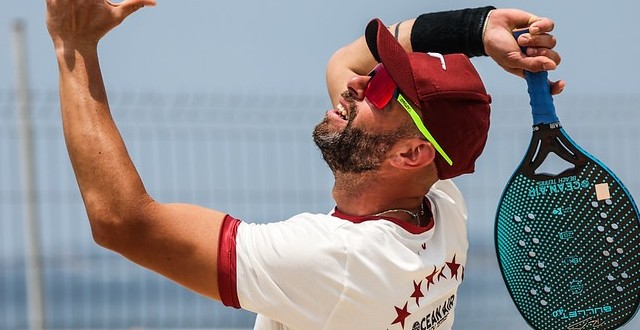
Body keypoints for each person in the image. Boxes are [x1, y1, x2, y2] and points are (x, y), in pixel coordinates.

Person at [45, 0, 564, 329]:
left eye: (384, 88)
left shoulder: (338, 260)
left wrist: (75, 46)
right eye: (379, 74)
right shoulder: (439, 206)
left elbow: (122, 222)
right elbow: (346, 63)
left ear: (410, 154)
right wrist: (474, 28)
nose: (359, 84)